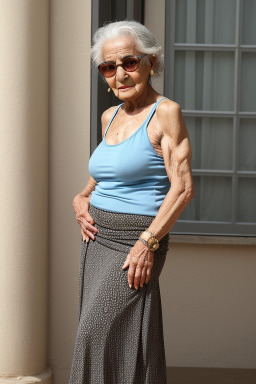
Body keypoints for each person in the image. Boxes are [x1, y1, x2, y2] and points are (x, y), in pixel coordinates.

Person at [69, 20, 194, 384]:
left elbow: (183, 187)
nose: (119, 74)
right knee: (115, 339)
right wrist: (81, 196)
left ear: (150, 62)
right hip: (95, 240)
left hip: (134, 242)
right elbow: (104, 174)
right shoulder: (111, 117)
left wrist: (148, 243)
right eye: (108, 67)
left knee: (94, 332)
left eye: (129, 62)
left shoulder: (166, 113)